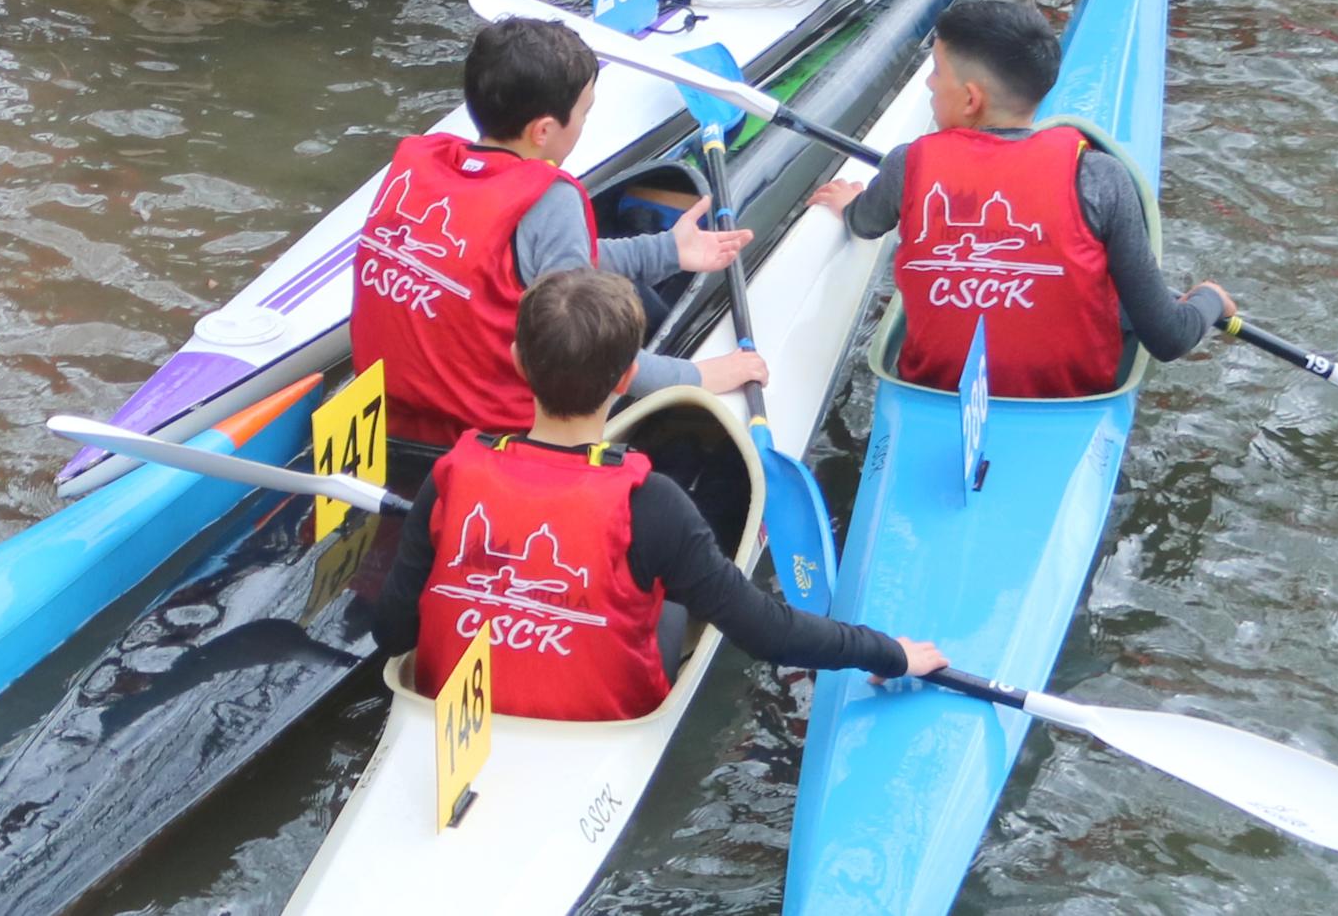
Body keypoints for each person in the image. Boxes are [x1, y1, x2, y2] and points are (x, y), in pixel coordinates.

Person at [363, 268, 943, 711]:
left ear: (517, 362)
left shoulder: (450, 479)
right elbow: (768, 631)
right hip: (599, 721)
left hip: (453, 714)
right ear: (624, 381)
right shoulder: (653, 502)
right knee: (666, 610)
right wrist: (889, 652)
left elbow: (392, 633)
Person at [350, 17, 759, 465]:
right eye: (585, 112)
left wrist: (666, 251)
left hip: (388, 425)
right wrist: (698, 375)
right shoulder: (549, 198)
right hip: (492, 447)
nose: (584, 123)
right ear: (543, 131)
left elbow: (507, 267)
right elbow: (586, 352)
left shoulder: (420, 159)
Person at [819, 0, 1228, 397]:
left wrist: (849, 205)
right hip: (1066, 399)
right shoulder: (1102, 177)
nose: (928, 82)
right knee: (1114, 298)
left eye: (936, 71)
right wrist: (1211, 300)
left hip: (934, 391)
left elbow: (865, 222)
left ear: (970, 98)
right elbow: (1169, 338)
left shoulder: (907, 164)